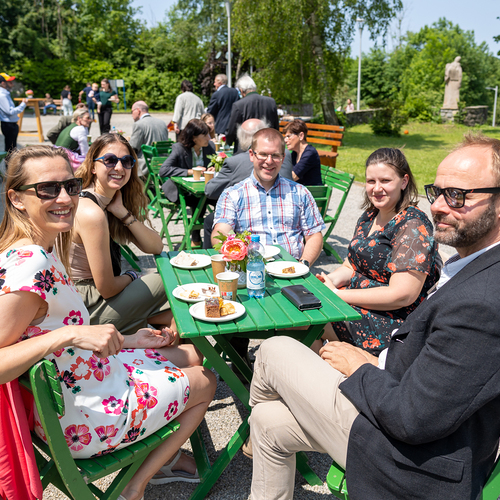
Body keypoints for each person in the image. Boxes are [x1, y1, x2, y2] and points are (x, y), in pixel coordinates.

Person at [249, 133, 500, 500]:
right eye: (438, 193)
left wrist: (359, 366)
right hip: (397, 396)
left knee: (275, 349)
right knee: (266, 421)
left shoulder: (483, 301)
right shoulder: (471, 268)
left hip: (413, 462)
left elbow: (412, 418)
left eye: (458, 195)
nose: (439, 206)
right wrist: (376, 361)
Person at [0, 146, 216, 499]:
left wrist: (129, 340)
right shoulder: (32, 265)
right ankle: (135, 486)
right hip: (83, 419)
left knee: (191, 354)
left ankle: (164, 456)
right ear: (17, 198)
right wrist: (71, 333)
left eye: (70, 186)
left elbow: (51, 328)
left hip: (82, 384)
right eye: (47, 189)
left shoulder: (38, 247)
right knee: (207, 380)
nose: (64, 198)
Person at [316, 148, 441, 354]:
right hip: (356, 302)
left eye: (385, 181)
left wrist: (338, 295)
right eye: (370, 181)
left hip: (390, 320)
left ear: (404, 181)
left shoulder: (412, 225)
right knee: (302, 309)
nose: (376, 188)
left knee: (307, 323)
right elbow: (351, 265)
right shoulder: (369, 216)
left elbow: (402, 295)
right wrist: (328, 281)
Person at [69, 133, 175, 338]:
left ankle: (179, 353)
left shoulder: (107, 202)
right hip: (84, 305)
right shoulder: (90, 211)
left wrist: (122, 212)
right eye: (109, 160)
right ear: (93, 166)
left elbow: (155, 247)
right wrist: (132, 276)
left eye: (126, 161)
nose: (119, 167)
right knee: (169, 279)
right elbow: (107, 288)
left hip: (91, 298)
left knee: (173, 316)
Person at [212, 128, 324, 265]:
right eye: (263, 154)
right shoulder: (232, 195)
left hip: (292, 268)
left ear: (283, 158)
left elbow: (314, 235)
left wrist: (303, 264)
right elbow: (220, 233)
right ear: (252, 155)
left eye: (275, 155)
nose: (269, 161)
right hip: (251, 267)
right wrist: (233, 251)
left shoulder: (300, 192)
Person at [203, 118, 294, 248]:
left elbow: (209, 191)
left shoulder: (234, 162)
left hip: (256, 218)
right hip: (285, 214)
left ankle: (205, 251)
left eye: (274, 155)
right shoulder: (286, 154)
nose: (269, 161)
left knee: (210, 221)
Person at [160, 119, 215, 247]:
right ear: (194, 138)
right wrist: (190, 171)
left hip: (203, 189)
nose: (208, 138)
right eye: (204, 135)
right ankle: (196, 239)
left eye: (208, 134)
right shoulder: (179, 148)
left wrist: (214, 168)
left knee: (222, 199)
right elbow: (163, 170)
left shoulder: (210, 147)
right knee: (199, 200)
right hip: (182, 191)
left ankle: (217, 236)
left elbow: (216, 166)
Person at [225, 75, 279, 150]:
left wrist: (229, 142)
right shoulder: (271, 102)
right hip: (266, 145)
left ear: (241, 90)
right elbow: (276, 127)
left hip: (245, 147)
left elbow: (232, 129)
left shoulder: (239, 105)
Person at [129, 100, 169, 176]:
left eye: (132, 111)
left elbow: (133, 147)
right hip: (163, 163)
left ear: (138, 110)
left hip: (147, 165)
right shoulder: (162, 123)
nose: (131, 115)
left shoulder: (139, 124)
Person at [283, 119, 322, 186]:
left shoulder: (310, 153)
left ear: (301, 136)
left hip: (312, 191)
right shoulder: (295, 153)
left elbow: (293, 177)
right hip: (301, 189)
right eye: (285, 137)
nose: (285, 140)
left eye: (288, 136)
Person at [0, 73, 27, 163]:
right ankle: (10, 168)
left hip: (10, 124)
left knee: (12, 149)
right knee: (10, 150)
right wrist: (23, 105)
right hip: (8, 124)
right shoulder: (2, 95)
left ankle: (10, 167)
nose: (12, 84)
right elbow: (10, 111)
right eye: (10, 82)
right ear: (3, 83)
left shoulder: (5, 93)